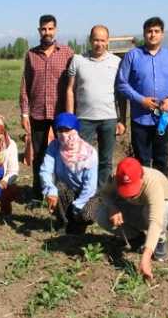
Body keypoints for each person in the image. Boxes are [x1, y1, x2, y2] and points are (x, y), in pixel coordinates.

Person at [115, 16, 168, 175]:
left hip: (164, 119)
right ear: (144, 33)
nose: (152, 35)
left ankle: (162, 196)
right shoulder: (132, 56)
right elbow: (122, 84)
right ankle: (143, 196)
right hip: (140, 118)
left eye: (156, 31)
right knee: (142, 161)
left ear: (162, 34)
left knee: (162, 160)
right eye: (149, 31)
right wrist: (141, 100)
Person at [19, 14, 74, 205]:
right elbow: (25, 84)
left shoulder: (67, 53)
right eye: (43, 29)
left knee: (63, 153)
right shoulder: (31, 55)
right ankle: (38, 193)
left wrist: (72, 112)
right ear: (39, 31)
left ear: (55, 30)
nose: (47, 32)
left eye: (50, 29)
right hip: (37, 112)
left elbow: (73, 84)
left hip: (61, 113)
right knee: (39, 154)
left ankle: (61, 193)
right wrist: (24, 113)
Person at [97, 157, 168, 280]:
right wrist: (112, 208)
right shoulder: (116, 176)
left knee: (151, 212)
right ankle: (137, 238)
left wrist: (145, 259)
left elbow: (155, 220)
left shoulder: (152, 181)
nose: (130, 192)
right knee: (102, 214)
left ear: (141, 177)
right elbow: (104, 194)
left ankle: (160, 244)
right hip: (137, 208)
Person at [65, 24, 126, 188]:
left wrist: (121, 120)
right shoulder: (78, 60)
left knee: (106, 161)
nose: (99, 44)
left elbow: (121, 94)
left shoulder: (117, 62)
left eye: (102, 40)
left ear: (108, 41)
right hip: (84, 119)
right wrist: (70, 120)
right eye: (95, 40)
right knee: (81, 158)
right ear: (90, 40)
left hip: (109, 118)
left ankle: (101, 194)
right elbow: (70, 90)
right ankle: (82, 190)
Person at [40, 113, 99, 235]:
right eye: (60, 130)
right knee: (58, 187)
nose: (63, 134)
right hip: (67, 190)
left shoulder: (89, 153)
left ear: (76, 130)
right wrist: (50, 190)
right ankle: (64, 222)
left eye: (67, 130)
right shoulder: (54, 146)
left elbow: (90, 186)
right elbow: (45, 170)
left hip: (87, 194)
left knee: (87, 214)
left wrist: (77, 206)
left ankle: (79, 224)